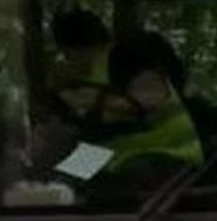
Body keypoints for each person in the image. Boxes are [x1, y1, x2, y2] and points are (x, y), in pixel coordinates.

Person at [41, 10, 206, 196]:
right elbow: (89, 134)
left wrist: (94, 101)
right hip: (110, 154)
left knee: (114, 187)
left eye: (66, 54)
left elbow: (153, 98)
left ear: (75, 49)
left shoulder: (126, 58)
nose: (66, 61)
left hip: (169, 154)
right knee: (59, 186)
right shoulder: (80, 80)